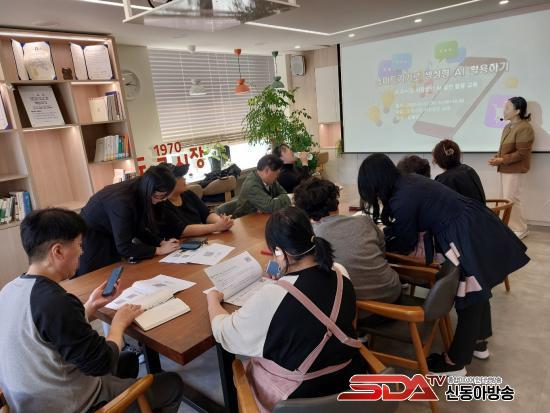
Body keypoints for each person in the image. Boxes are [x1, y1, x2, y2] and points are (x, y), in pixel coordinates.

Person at [358, 154, 529, 375]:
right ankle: (478, 342)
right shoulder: (408, 181)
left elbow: (405, 241)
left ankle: (456, 362)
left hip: (463, 232)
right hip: (472, 222)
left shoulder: (402, 198)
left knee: (470, 294)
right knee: (477, 289)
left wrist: (376, 243)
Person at [0, 208, 184, 413]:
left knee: (129, 360)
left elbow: (52, 331)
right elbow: (102, 363)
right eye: (79, 245)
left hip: (31, 401)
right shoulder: (55, 302)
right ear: (58, 251)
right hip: (73, 405)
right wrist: (118, 324)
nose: (82, 252)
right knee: (172, 384)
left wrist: (91, 305)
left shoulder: (9, 290)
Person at [206, 207, 366, 411]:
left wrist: (212, 299)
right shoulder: (340, 272)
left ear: (279, 252)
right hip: (348, 378)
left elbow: (224, 332)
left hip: (300, 400)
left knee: (241, 366)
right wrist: (283, 274)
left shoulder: (273, 296)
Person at [293, 177, 402, 321]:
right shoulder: (364, 221)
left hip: (363, 312)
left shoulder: (314, 238)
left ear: (304, 212)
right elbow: (382, 250)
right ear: (336, 201)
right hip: (394, 294)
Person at [77, 165, 180, 276]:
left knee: (116, 273)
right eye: (160, 196)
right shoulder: (123, 202)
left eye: (166, 196)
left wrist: (161, 243)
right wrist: (159, 250)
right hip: (92, 235)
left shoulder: (141, 188)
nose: (163, 200)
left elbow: (137, 228)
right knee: (97, 276)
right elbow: (124, 247)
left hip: (109, 231)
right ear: (149, 189)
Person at [489, 96, 535, 239]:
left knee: (511, 199)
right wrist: (497, 157)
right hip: (505, 168)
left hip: (515, 169)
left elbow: (522, 153)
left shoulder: (525, 128)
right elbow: (504, 149)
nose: (504, 111)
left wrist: (501, 159)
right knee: (506, 198)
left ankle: (520, 228)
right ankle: (511, 226)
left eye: (507, 108)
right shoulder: (508, 126)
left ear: (518, 111)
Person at [155, 162, 233, 239]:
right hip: (181, 243)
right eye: (180, 177)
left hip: (202, 239)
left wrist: (222, 222)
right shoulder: (161, 204)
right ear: (169, 182)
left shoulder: (188, 194)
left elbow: (206, 214)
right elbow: (182, 231)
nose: (184, 178)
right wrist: (216, 227)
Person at [232, 154, 291, 218]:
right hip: (245, 220)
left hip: (263, 217)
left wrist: (271, 203)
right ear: (266, 170)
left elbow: (284, 193)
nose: (278, 176)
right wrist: (272, 203)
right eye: (277, 173)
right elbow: (271, 206)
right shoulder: (252, 185)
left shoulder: (271, 180)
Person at [433, 139, 486, 204]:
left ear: (437, 160)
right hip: (481, 210)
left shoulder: (443, 180)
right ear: (458, 154)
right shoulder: (469, 170)